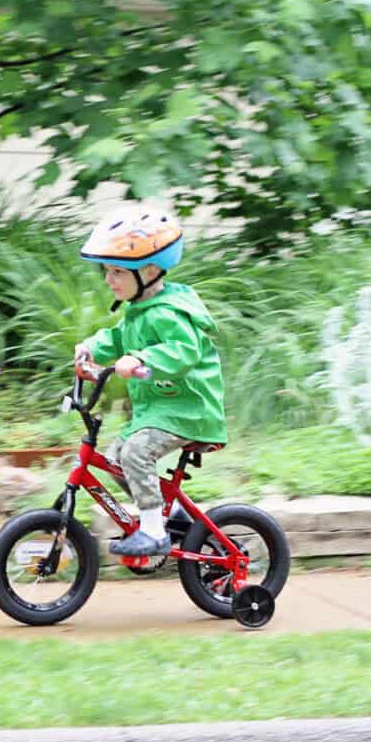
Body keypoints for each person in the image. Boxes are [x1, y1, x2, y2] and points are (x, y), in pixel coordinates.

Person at [73, 202, 227, 557]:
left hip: (188, 410)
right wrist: (92, 347)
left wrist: (143, 358)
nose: (109, 280)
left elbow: (182, 352)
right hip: (159, 411)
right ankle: (171, 517)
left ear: (151, 270)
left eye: (117, 272)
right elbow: (118, 337)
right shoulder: (138, 311)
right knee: (115, 458)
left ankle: (155, 532)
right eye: (106, 271)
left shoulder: (171, 315)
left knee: (137, 452)